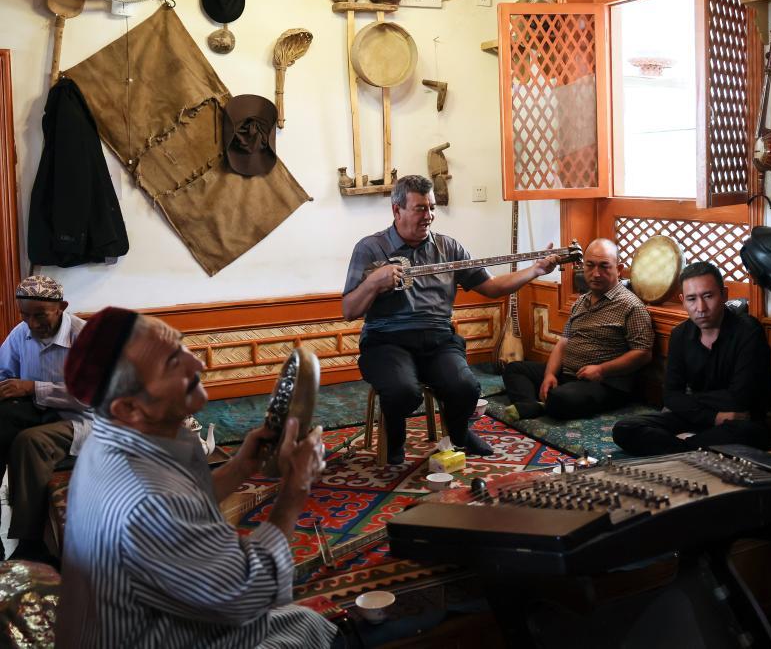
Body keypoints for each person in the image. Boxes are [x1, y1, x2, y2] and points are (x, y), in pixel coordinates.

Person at [56, 307, 341, 648]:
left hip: (168, 618)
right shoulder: (147, 500)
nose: (198, 365)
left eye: (181, 346)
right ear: (129, 407)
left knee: (304, 621)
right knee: (313, 631)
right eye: (173, 363)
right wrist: (295, 490)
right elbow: (246, 593)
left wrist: (240, 466)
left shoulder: (108, 440)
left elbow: (183, 504)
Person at [343, 174, 559, 464]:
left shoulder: (449, 248)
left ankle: (459, 433)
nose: (429, 216)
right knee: (402, 391)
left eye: (432, 208)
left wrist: (536, 270)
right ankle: (394, 438)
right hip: (386, 341)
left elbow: (491, 287)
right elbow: (349, 311)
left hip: (438, 339)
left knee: (466, 387)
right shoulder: (370, 248)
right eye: (420, 208)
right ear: (397, 210)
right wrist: (373, 283)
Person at [612, 260, 771, 455]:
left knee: (749, 433)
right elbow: (671, 396)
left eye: (708, 296)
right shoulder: (680, 334)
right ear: (682, 300)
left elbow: (740, 399)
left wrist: (689, 400)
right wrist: (713, 416)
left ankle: (685, 447)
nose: (701, 307)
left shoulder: (749, 331)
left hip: (739, 421)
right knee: (625, 429)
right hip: (699, 417)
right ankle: (692, 448)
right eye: (691, 299)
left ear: (724, 294)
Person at [502, 238, 654, 421]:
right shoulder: (581, 301)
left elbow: (643, 353)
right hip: (568, 374)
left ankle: (542, 403)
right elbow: (563, 342)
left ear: (619, 269)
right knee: (514, 369)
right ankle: (534, 405)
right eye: (590, 265)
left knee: (561, 399)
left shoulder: (631, 306)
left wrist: (601, 370)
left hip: (604, 382)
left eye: (604, 266)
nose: (596, 273)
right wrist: (549, 375)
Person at [0, 274, 87, 561]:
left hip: (83, 419)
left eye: (40, 315)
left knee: (30, 442)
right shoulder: (20, 333)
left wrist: (33, 388)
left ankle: (31, 542)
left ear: (62, 307)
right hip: (38, 411)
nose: (32, 324)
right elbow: (4, 373)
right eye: (25, 315)